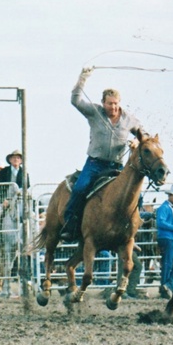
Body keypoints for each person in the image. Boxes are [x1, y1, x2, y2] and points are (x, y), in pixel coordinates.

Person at [60, 67, 143, 242]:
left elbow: (145, 135)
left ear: (119, 103)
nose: (113, 107)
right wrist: (83, 77)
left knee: (136, 195)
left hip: (117, 166)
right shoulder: (94, 112)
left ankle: (130, 231)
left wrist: (138, 141)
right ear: (103, 103)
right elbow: (75, 100)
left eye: (115, 103)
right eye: (109, 103)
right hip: (95, 164)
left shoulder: (129, 119)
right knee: (81, 188)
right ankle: (71, 224)